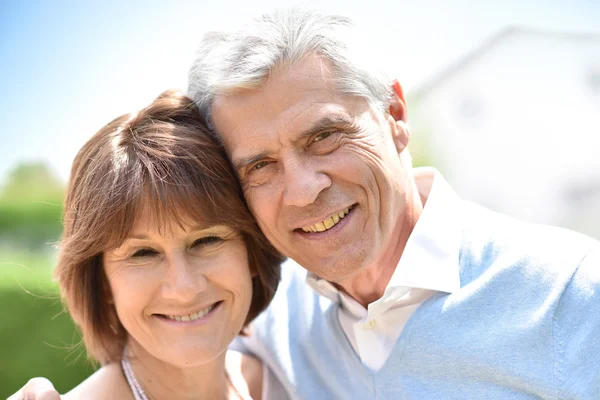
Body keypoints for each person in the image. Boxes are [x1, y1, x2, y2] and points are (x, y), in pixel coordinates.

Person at [15, 7, 600, 399]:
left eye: (323, 137)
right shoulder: (275, 315)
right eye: (260, 166)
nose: (302, 189)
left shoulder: (574, 297)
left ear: (395, 115)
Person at [10, 90, 287, 399]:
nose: (184, 287)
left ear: (251, 251)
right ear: (102, 282)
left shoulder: (275, 383)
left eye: (207, 240)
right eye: (143, 253)